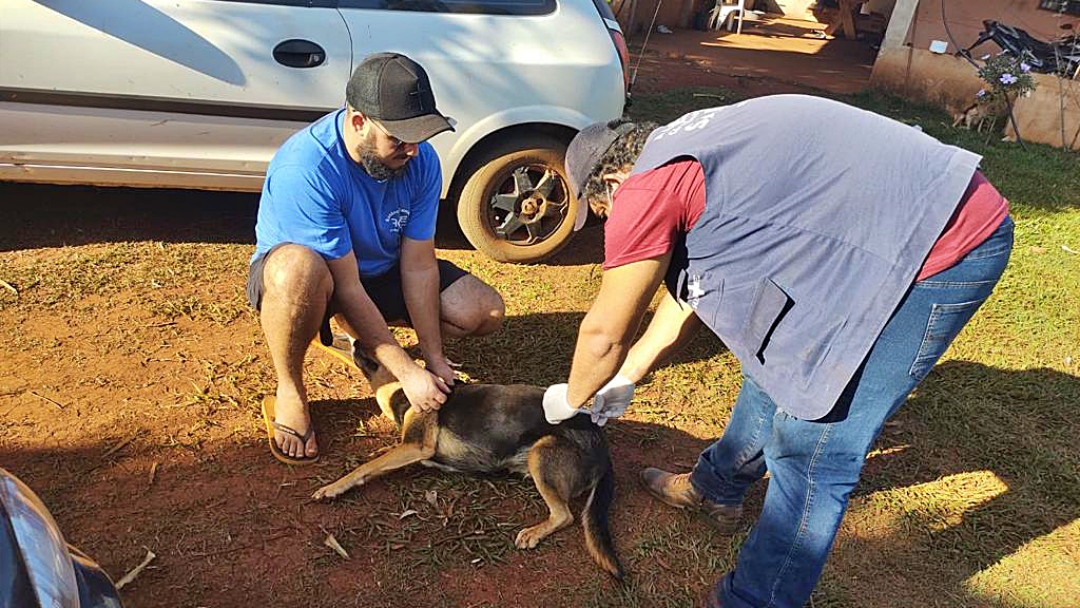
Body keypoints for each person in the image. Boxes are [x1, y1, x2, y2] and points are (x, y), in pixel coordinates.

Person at [542, 95, 1013, 607]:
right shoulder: (683, 147)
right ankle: (716, 488)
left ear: (612, 185)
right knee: (776, 353)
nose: (612, 222)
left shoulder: (646, 186)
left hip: (944, 245)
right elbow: (691, 292)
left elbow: (604, 333)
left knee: (815, 449)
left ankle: (756, 600)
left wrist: (574, 399)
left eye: (605, 213)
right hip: (883, 223)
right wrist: (630, 372)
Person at [248, 53, 505, 465]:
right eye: (399, 138)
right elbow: (346, 285)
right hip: (317, 279)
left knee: (482, 311)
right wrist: (405, 371)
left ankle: (367, 341)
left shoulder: (419, 162)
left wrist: (433, 357)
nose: (413, 150)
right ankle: (290, 388)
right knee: (298, 270)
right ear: (357, 122)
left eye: (419, 137)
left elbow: (419, 264)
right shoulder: (307, 167)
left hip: (377, 269)